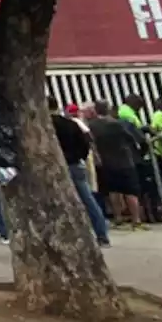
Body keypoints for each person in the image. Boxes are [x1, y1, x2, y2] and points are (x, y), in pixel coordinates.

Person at [49, 96, 109, 246]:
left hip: (55, 166)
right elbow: (85, 144)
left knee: (57, 202)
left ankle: (66, 236)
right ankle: (102, 234)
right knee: (87, 199)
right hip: (75, 164)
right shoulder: (71, 124)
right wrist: (78, 157)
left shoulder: (46, 126)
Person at [88, 100, 146, 230]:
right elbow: (134, 139)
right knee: (131, 191)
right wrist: (139, 154)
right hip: (124, 160)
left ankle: (118, 217)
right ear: (108, 109)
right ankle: (136, 219)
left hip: (106, 161)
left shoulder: (93, 126)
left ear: (96, 110)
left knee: (113, 191)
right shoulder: (119, 124)